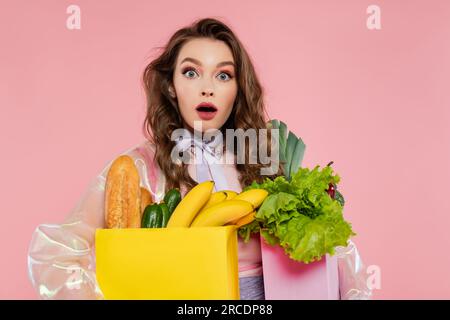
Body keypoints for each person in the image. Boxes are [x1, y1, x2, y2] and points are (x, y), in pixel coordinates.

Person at [27, 17, 372, 300]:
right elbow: (54, 251)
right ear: (171, 86)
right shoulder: (137, 169)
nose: (207, 87)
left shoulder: (268, 161)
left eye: (223, 75)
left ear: (238, 90)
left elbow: (332, 252)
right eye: (191, 72)